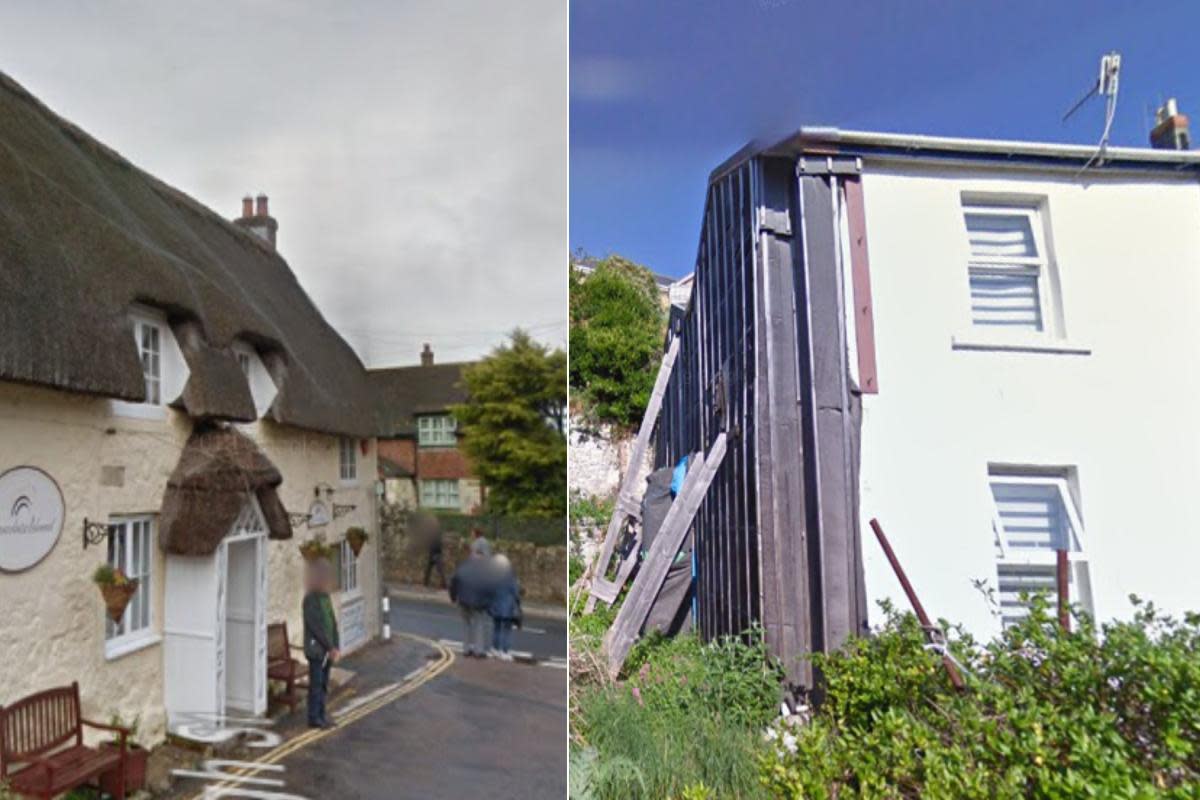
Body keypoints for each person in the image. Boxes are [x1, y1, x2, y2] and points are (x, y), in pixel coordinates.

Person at [302, 559, 340, 729]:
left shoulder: (326, 598)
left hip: (328, 651)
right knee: (316, 685)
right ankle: (314, 718)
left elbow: (332, 623)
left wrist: (336, 646)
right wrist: (330, 647)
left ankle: (322, 715)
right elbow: (316, 626)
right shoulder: (310, 600)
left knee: (324, 685)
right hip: (316, 650)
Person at [449, 536, 493, 657]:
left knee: (466, 624)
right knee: (479, 624)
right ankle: (479, 651)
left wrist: (453, 597)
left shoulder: (464, 564)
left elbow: (454, 581)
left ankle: (466, 650)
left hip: (463, 600)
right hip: (478, 602)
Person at [488, 553, 522, 661]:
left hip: (496, 605)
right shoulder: (510, 576)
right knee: (506, 629)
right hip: (507, 607)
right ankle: (504, 651)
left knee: (496, 628)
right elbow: (516, 592)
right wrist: (518, 603)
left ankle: (494, 649)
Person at [423, 520, 446, 588]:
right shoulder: (437, 534)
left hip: (434, 554)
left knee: (431, 569)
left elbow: (434, 545)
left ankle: (426, 582)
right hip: (436, 554)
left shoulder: (434, 534)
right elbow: (438, 545)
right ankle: (443, 584)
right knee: (439, 570)